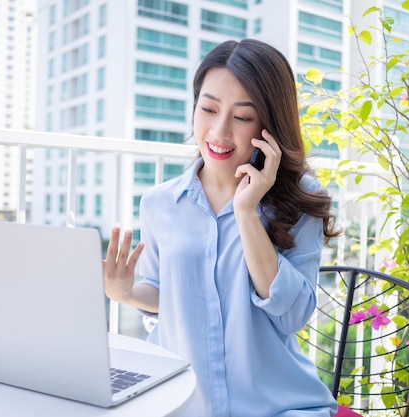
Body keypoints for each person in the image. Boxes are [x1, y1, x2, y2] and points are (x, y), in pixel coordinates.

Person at [104, 38, 341, 417]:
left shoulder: (301, 199)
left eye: (242, 117)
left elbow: (292, 316)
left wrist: (246, 212)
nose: (218, 131)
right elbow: (164, 292)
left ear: (269, 125)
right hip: (182, 403)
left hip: (276, 407)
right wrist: (126, 292)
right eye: (208, 109)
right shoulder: (160, 202)